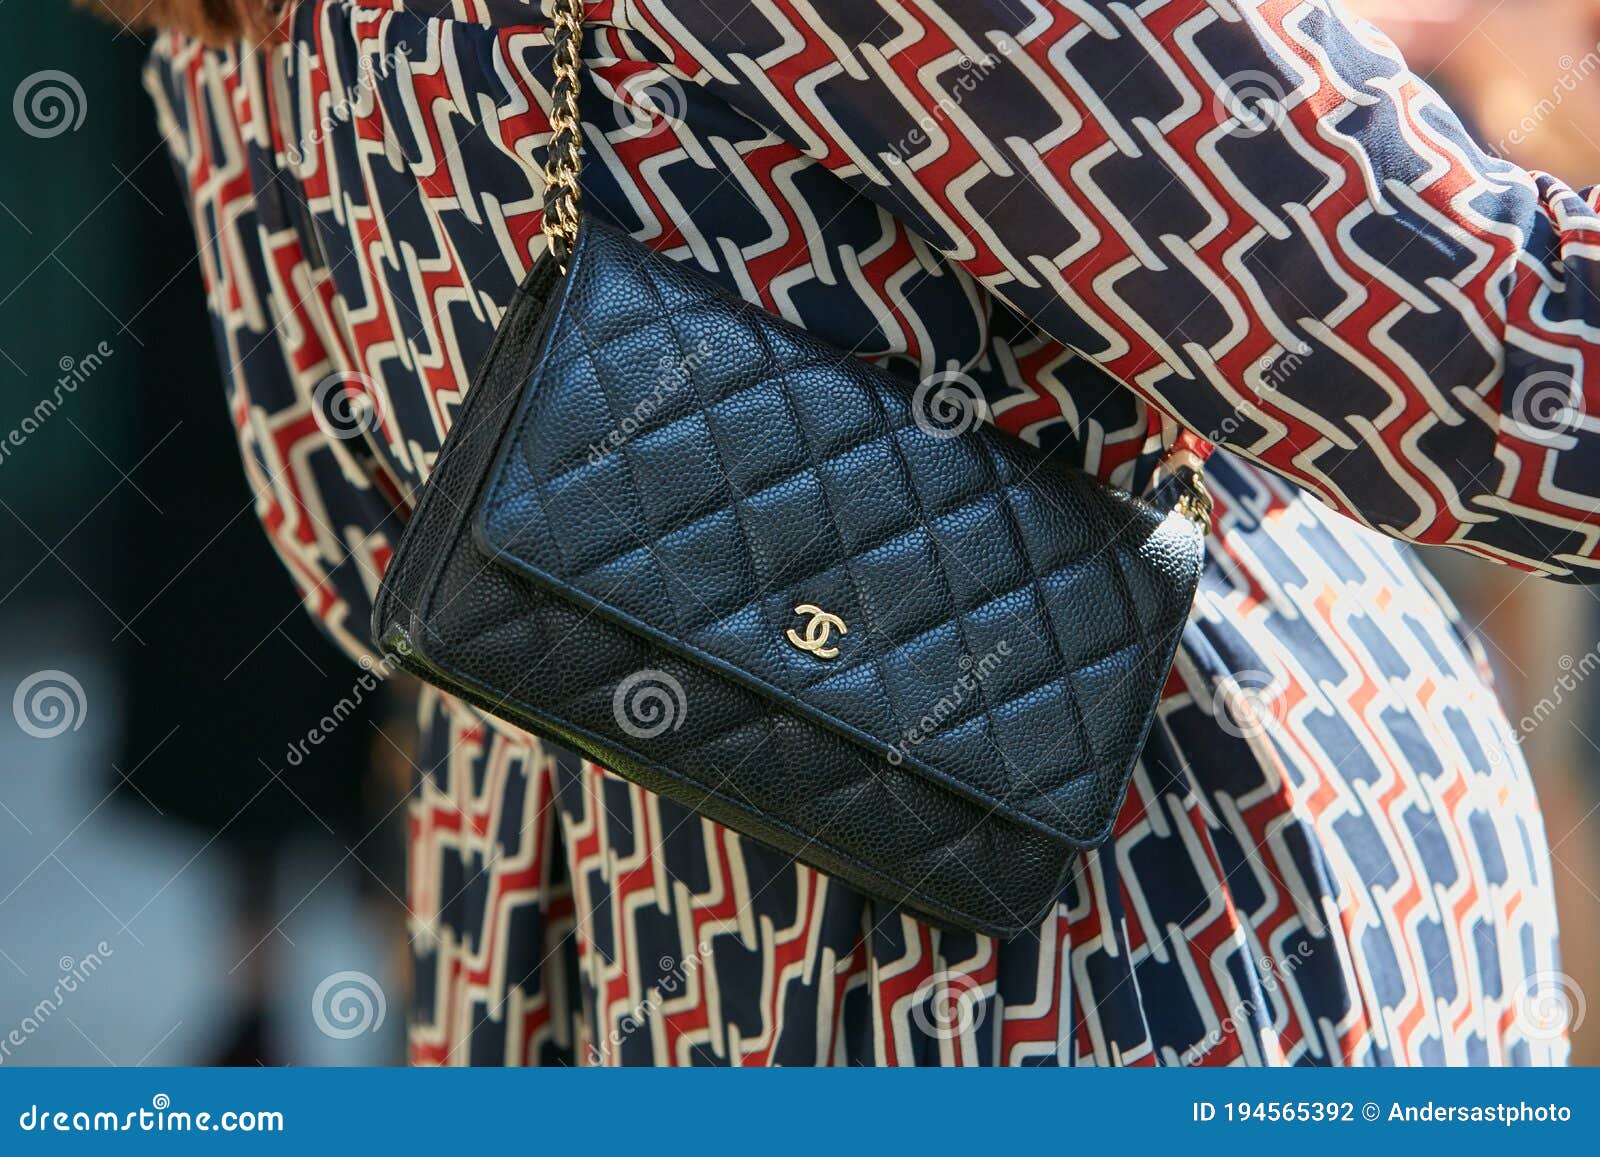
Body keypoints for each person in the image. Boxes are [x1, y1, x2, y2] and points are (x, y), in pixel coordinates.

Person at [85, 0, 1597, 1065]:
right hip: (1137, 935)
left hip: (589, 974)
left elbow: (353, 540)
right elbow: (1440, 327)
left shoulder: (230, 28)